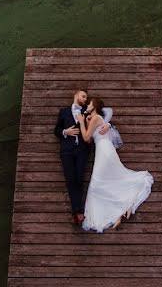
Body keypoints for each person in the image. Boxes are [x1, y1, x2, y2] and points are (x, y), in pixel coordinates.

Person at [77, 97, 154, 232]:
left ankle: (123, 207)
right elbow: (89, 140)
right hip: (103, 150)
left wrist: (82, 121)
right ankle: (118, 213)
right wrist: (87, 121)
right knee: (107, 182)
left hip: (104, 151)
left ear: (94, 106)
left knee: (96, 185)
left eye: (89, 103)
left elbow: (85, 137)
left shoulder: (96, 118)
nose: (88, 105)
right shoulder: (95, 119)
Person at [53, 89, 108, 225]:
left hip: (82, 151)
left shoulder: (87, 111)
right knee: (70, 180)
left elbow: (103, 116)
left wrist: (108, 125)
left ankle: (77, 212)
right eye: (83, 96)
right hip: (67, 151)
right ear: (75, 95)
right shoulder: (64, 112)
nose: (85, 99)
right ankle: (77, 212)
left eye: (86, 98)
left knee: (79, 179)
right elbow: (56, 131)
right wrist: (66, 131)